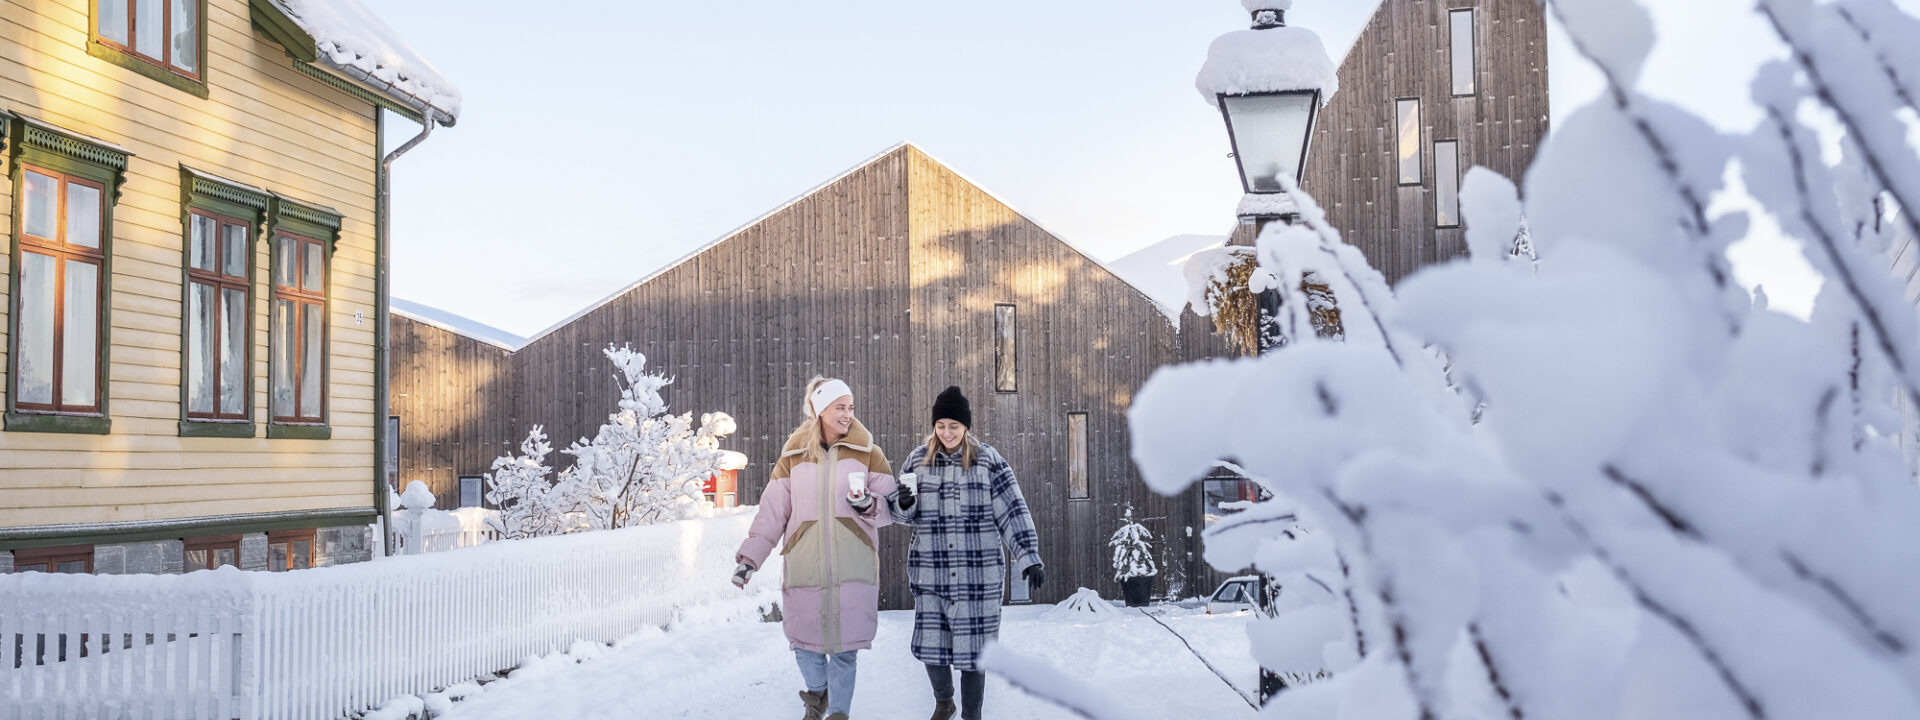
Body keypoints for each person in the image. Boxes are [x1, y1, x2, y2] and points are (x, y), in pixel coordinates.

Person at [734, 377, 897, 720]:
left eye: (850, 407)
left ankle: (838, 712)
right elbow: (772, 513)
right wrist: (750, 559)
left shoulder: (869, 453)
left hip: (854, 563)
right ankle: (818, 692)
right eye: (840, 407)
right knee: (804, 645)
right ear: (820, 410)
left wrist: (869, 504)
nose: (847, 414)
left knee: (845, 651)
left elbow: (890, 510)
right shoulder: (793, 455)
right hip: (805, 562)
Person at [888, 386, 1044, 720]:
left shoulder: (988, 460)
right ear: (934, 425)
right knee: (932, 648)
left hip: (978, 578)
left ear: (967, 427)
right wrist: (903, 502)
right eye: (941, 425)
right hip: (931, 574)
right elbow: (900, 512)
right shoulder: (918, 460)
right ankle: (944, 701)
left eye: (954, 426)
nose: (947, 432)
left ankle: (973, 714)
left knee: (975, 656)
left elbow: (1013, 510)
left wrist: (1028, 557)